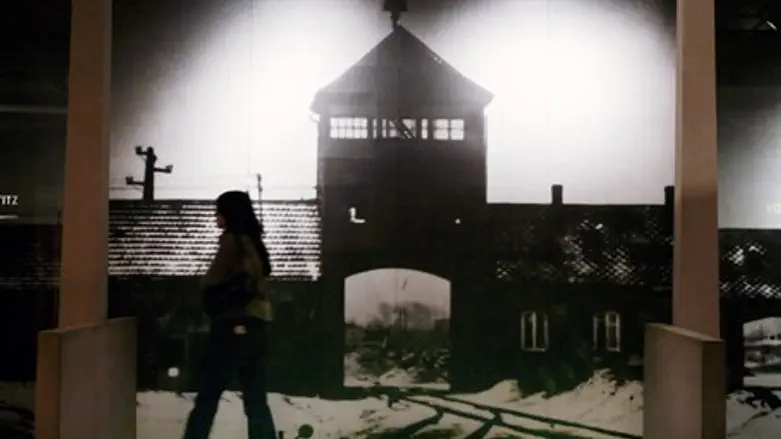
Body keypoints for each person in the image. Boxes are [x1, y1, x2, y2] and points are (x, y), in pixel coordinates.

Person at [182, 190, 277, 439]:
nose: (216, 217)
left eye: (219, 212)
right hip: (256, 328)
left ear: (229, 214)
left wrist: (207, 293)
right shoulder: (254, 243)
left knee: (208, 396)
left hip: (229, 327)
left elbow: (211, 282)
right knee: (256, 401)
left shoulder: (231, 242)